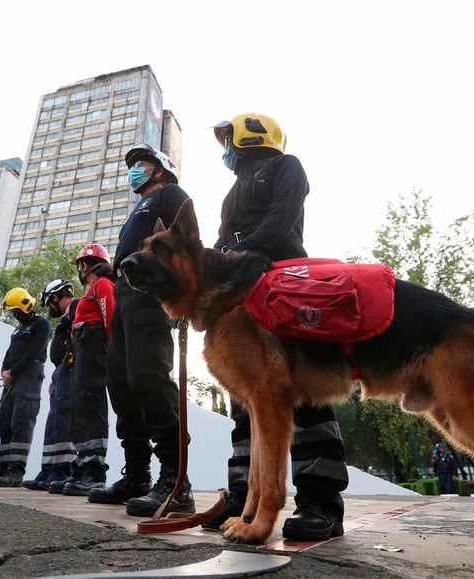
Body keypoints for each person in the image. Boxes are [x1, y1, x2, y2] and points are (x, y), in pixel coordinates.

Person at [203, 113, 349, 541]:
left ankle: (320, 501)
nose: (225, 148)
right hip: (239, 292)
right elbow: (222, 239)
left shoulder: (286, 166)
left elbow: (282, 219)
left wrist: (241, 250)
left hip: (287, 284)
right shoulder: (232, 192)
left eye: (228, 139)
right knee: (245, 400)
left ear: (250, 133)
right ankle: (242, 499)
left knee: (303, 393)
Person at [89, 144, 194, 517]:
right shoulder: (138, 209)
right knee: (122, 383)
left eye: (141, 164)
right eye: (131, 165)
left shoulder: (170, 195)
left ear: (161, 170)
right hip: (123, 295)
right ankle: (137, 476)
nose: (133, 170)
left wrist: (180, 294)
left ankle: (176, 481)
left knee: (149, 377)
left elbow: (185, 242)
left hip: (151, 293)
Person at [51, 244, 114, 496]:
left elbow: (110, 317)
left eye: (80, 265)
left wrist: (112, 351)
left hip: (95, 352)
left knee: (92, 406)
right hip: (82, 356)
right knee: (81, 410)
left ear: (86, 265)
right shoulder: (91, 290)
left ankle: (95, 472)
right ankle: (83, 462)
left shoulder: (101, 285)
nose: (79, 270)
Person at [0, 287, 51, 487]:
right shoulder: (18, 329)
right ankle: (2, 470)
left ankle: (15, 472)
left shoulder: (40, 324)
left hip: (29, 377)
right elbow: (10, 353)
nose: (14, 315)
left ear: (25, 306)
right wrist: (5, 371)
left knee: (21, 423)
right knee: (6, 425)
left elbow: (34, 352)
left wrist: (13, 372)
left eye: (16, 311)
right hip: (12, 380)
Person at [23, 279, 79, 491]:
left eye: (49, 302)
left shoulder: (76, 308)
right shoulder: (66, 316)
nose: (49, 308)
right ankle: (48, 471)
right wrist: (57, 377)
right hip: (62, 372)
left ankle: (64, 471)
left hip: (72, 370)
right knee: (54, 423)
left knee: (65, 422)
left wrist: (70, 372)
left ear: (55, 296)